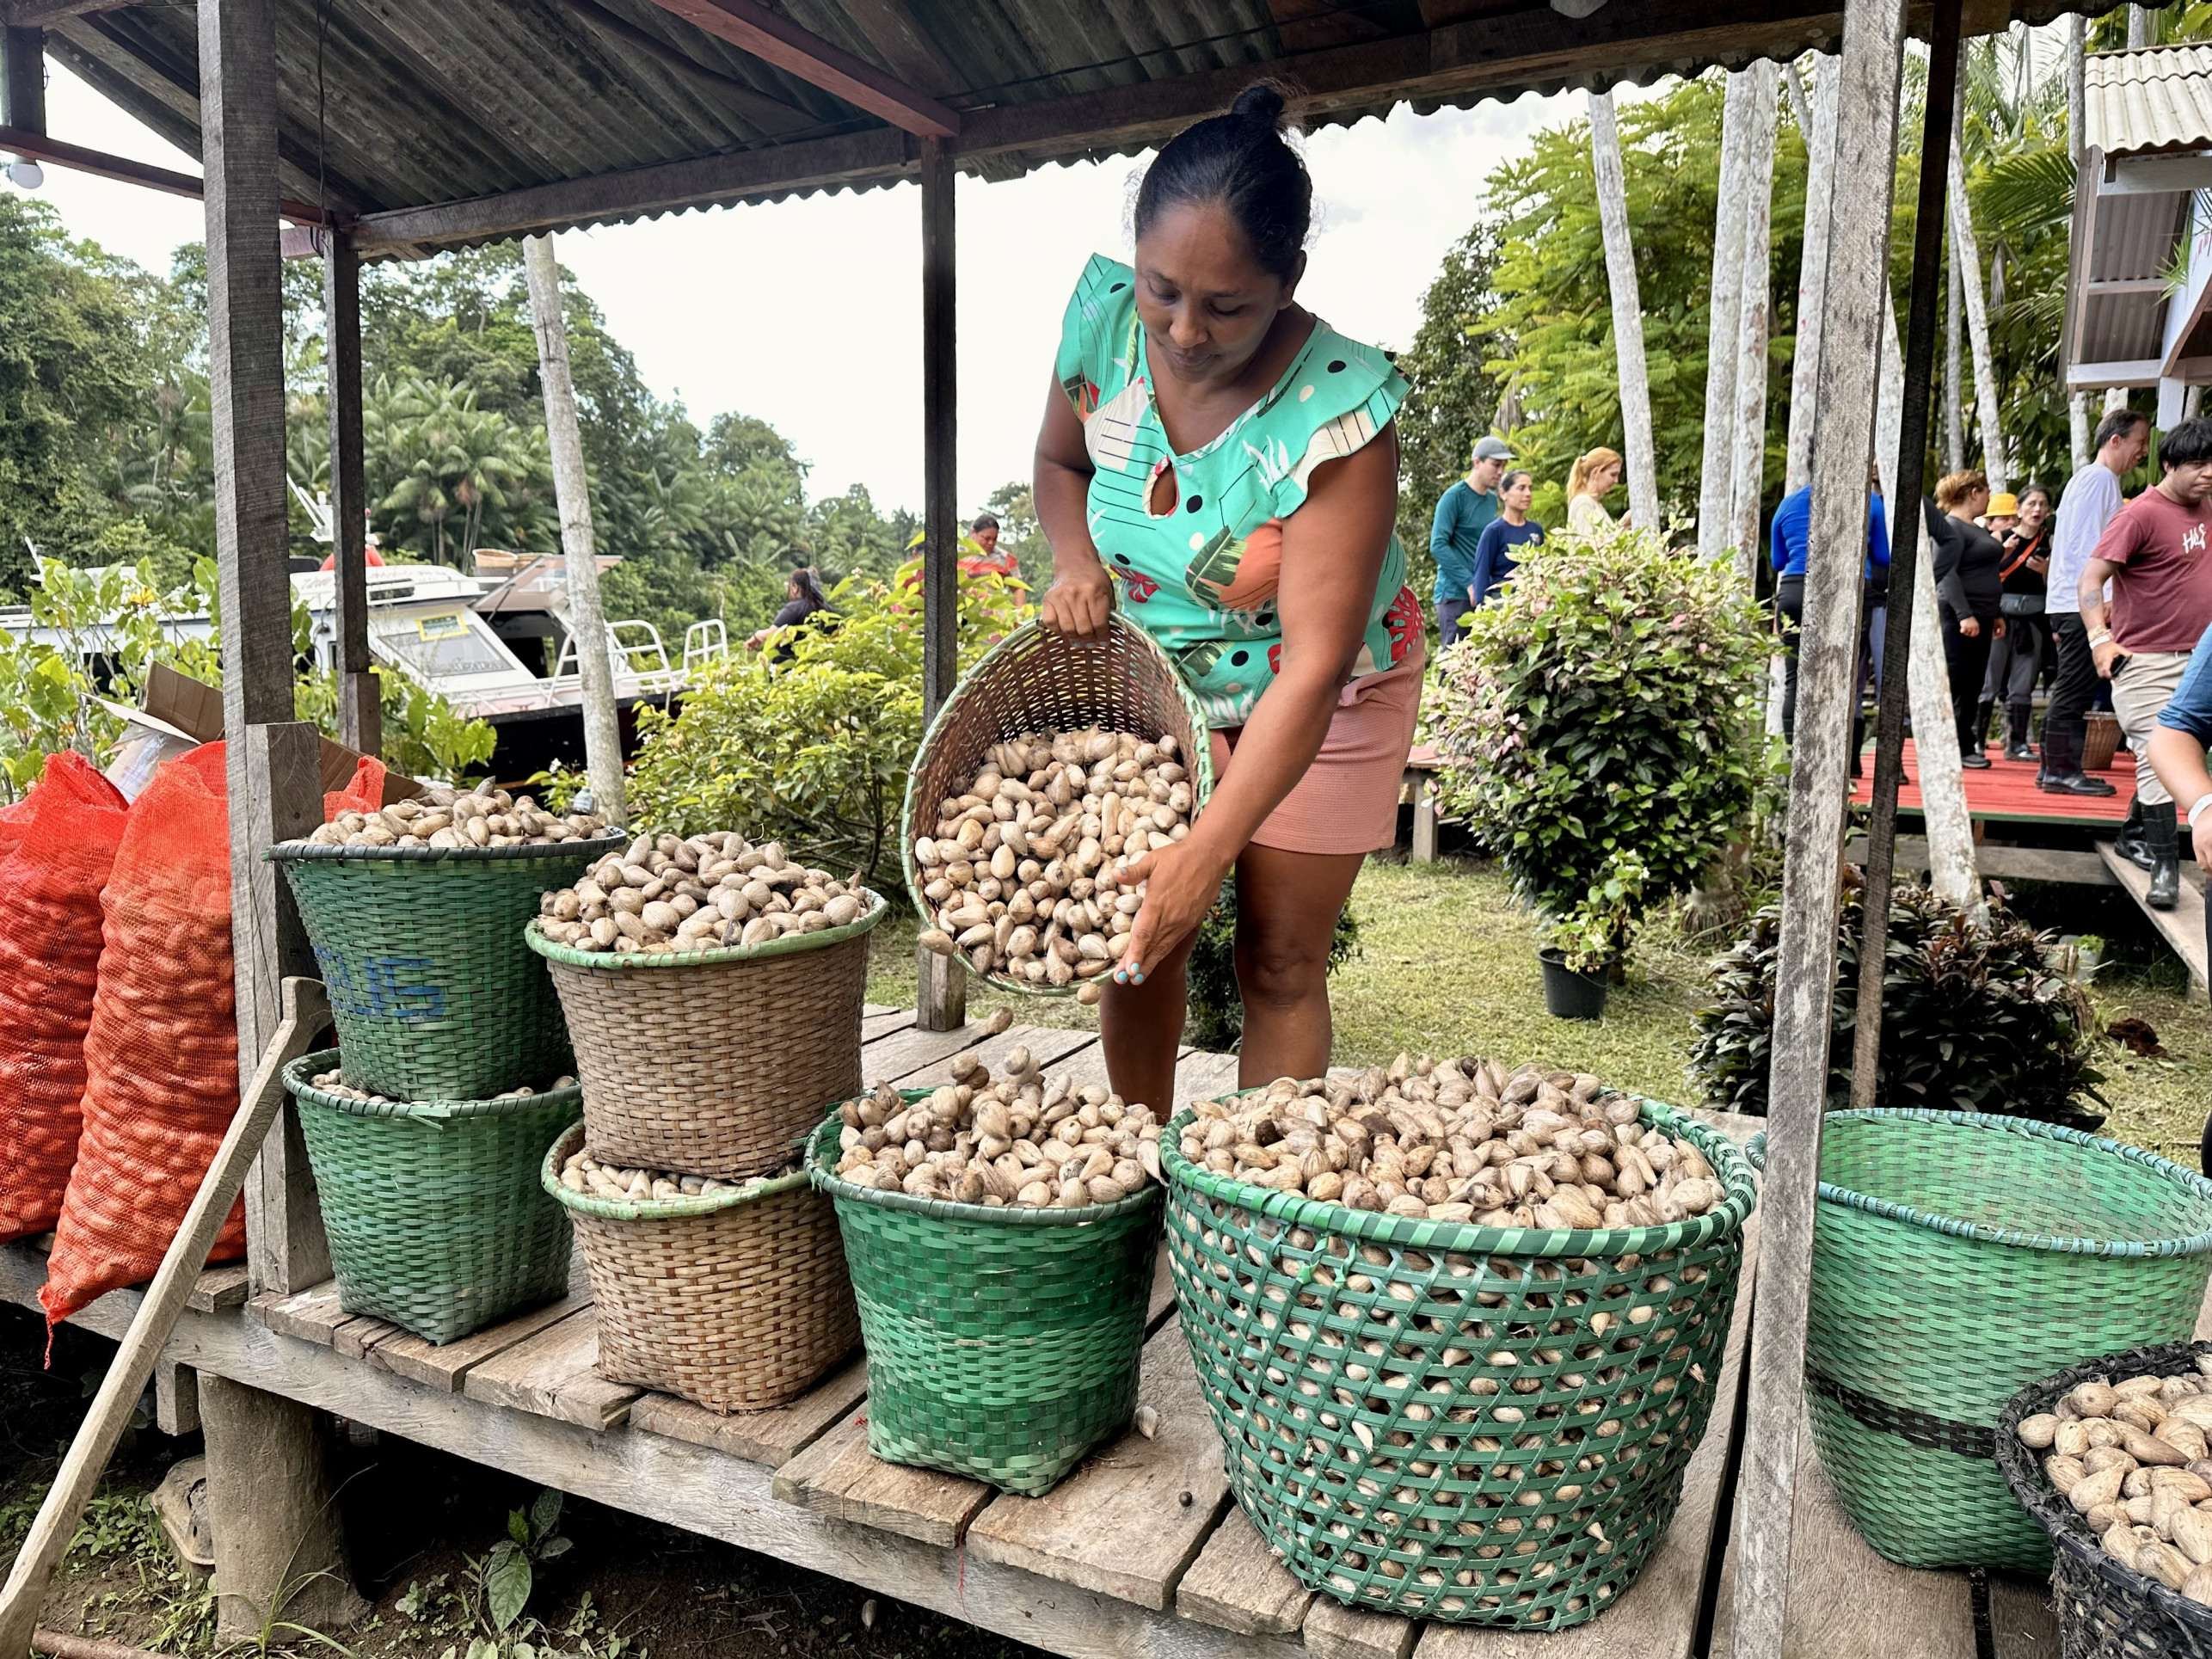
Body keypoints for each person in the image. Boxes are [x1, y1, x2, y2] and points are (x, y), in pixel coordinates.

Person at [1033, 84, 1422, 1113]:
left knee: (1278, 960)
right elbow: (1058, 461)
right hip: (1163, 684)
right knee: (1139, 945)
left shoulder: (1339, 413)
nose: (1184, 330)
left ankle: (1261, 1214)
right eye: (1162, 289)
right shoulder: (1104, 330)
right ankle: (1138, 1170)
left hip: (1325, 696)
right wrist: (1075, 562)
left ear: (1288, 279)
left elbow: (1316, 664)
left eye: (1227, 305)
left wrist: (1207, 854)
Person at [2078, 415, 2212, 910]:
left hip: (2203, 656)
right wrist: (2099, 640)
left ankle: (2146, 838)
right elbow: (2091, 578)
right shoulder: (2139, 514)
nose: (2208, 474)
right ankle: (2164, 865)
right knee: (2155, 757)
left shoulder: (2208, 511)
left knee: (2185, 760)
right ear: (2170, 463)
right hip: (2148, 659)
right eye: (2198, 464)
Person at [2043, 408, 2152, 795]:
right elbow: (2088, 547)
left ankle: (2054, 767)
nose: (2143, 451)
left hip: (2070, 599)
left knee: (2072, 684)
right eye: (2140, 442)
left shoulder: (2089, 479)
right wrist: (2103, 599)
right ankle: (2060, 769)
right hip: (2080, 602)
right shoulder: (2099, 479)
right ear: (2115, 440)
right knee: (2075, 687)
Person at [1767, 474, 1889, 742]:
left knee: (1795, 680)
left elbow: (1778, 560)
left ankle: (1793, 758)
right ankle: (1833, 759)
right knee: (1840, 680)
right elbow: (1883, 556)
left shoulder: (1788, 504)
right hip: (1844, 590)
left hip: (1794, 589)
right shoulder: (1871, 503)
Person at [1934, 470, 2004, 769]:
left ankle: (1964, 742)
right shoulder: (1950, 527)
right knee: (1958, 681)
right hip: (1961, 617)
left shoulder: (1973, 528)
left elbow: (1983, 572)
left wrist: (1995, 612)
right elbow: (1946, 573)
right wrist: (1964, 615)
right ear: (1973, 492)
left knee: (1974, 682)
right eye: (1986, 490)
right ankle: (1953, 746)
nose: (1990, 497)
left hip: (1984, 614)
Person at [1980, 484, 2052, 762]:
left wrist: (2045, 570)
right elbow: (1983, 575)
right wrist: (2002, 553)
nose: (2037, 509)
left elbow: (2056, 585)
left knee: (2024, 680)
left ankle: (2017, 743)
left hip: (2033, 618)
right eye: (2031, 504)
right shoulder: (2000, 537)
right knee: (1990, 677)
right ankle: (1977, 740)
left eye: (2042, 504)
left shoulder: (2050, 542)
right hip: (2000, 617)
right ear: (2019, 510)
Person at [1429, 436, 1513, 644]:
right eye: (1495, 464)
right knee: (1453, 663)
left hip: (1484, 592)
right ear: (1477, 462)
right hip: (1454, 594)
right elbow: (1438, 545)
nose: (1500, 471)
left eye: (1503, 465)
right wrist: (1468, 583)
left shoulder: (1492, 500)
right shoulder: (1454, 497)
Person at [1468, 469, 1542, 610]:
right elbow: (1482, 573)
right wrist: (1481, 609)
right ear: (1503, 493)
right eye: (1521, 488)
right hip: (1502, 605)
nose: (1528, 494)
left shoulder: (1535, 530)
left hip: (1532, 603)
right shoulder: (1494, 531)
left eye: (1530, 488)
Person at [747, 567, 830, 656]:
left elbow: (773, 635)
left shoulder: (794, 608)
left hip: (791, 666)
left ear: (795, 587)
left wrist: (757, 635)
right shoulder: (828, 610)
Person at [1564, 447, 1625, 539]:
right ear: (1595, 472)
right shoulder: (1583, 503)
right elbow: (1588, 546)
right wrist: (1622, 525)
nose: (1616, 481)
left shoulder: (1593, 503)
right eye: (1613, 475)